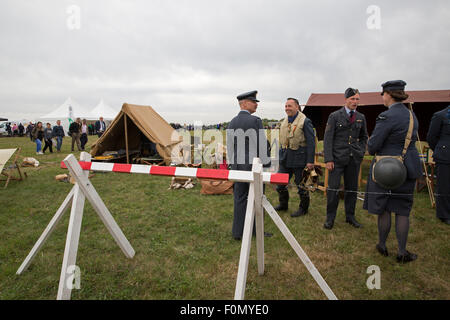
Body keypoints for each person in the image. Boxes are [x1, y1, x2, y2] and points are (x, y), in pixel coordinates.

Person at [363, 80, 421, 263]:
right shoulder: (412, 116)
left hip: (386, 169)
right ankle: (402, 252)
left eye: (382, 94)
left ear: (388, 94)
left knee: (385, 209)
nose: (382, 97)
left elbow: (372, 146)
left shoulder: (386, 116)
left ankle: (382, 245)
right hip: (407, 167)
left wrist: (370, 142)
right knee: (403, 210)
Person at [227, 90, 271, 240]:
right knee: (256, 199)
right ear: (244, 103)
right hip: (253, 167)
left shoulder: (232, 122)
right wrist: (266, 164)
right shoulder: (255, 121)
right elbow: (262, 145)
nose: (256, 105)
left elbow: (230, 147)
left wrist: (232, 165)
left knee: (240, 198)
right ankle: (256, 231)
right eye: (253, 102)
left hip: (238, 166)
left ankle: (238, 232)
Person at [323, 87, 368, 229]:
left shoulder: (361, 117)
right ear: (346, 99)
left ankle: (350, 216)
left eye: (357, 99)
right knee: (333, 189)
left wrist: (360, 151)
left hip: (353, 159)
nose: (355, 102)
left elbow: (364, 137)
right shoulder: (335, 116)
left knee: (352, 189)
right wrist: (328, 159)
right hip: (336, 159)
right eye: (352, 99)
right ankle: (330, 218)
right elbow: (328, 139)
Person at [275, 97, 316, 217]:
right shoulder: (284, 120)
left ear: (297, 107)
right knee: (279, 184)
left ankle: (303, 209)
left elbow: (311, 142)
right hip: (285, 159)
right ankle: (283, 205)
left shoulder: (305, 121)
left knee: (301, 185)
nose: (287, 108)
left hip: (299, 158)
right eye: (286, 106)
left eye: (290, 106)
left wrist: (310, 161)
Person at [426, 105, 450, 225]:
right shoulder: (440, 115)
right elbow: (431, 137)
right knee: (444, 186)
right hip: (445, 156)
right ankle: (444, 214)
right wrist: (441, 150)